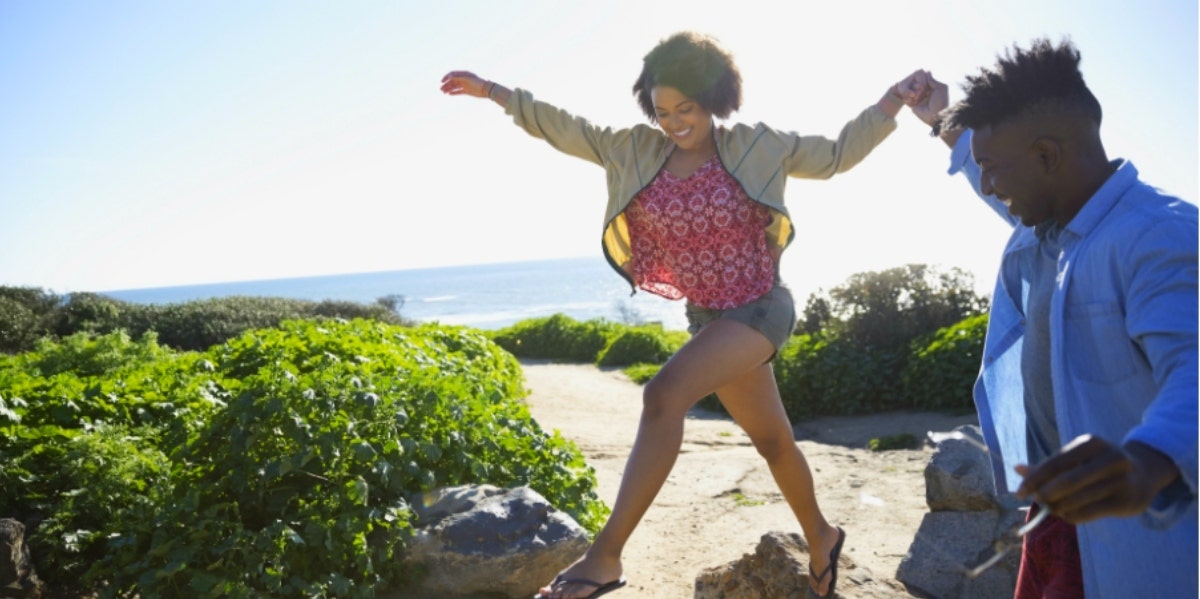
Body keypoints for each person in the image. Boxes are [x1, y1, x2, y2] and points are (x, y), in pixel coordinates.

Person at [442, 31, 924, 599]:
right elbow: (564, 127)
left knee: (662, 395)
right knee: (773, 442)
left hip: (761, 307)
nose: (674, 122)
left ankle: (605, 558)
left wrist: (893, 100)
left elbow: (839, 153)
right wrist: (494, 91)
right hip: (710, 320)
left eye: (686, 109)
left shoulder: (757, 145)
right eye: (663, 110)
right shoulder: (634, 150)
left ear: (713, 100)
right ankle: (823, 535)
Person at [905, 39, 1198, 598]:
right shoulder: (1051, 227)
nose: (988, 185)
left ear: (1046, 156)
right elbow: (991, 173)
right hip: (1055, 519)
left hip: (1127, 530)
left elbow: (1196, 369)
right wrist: (943, 119)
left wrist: (1148, 459)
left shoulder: (1160, 237)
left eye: (993, 169)